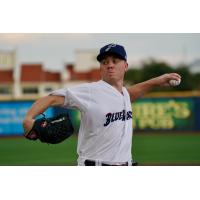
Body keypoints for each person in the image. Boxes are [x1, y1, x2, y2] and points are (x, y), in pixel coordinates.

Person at [23, 43, 181, 166]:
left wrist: (158, 80)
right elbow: (51, 98)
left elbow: (131, 93)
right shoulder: (91, 91)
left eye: (115, 61)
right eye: (105, 62)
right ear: (100, 68)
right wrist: (29, 118)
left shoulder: (124, 94)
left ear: (125, 66)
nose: (110, 65)